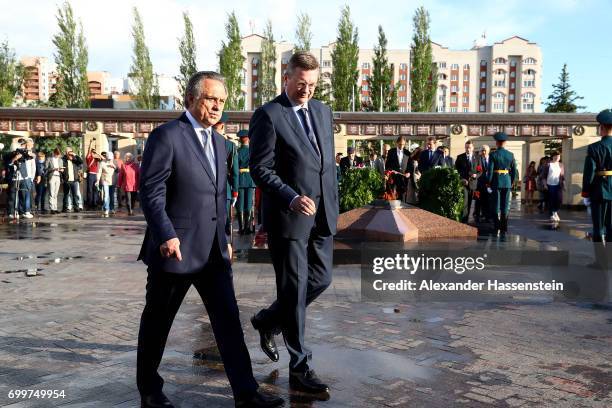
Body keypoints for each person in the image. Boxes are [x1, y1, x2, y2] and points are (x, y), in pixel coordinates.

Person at [136, 71, 283, 408]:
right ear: (191, 99)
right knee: (158, 324)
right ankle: (150, 391)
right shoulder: (167, 136)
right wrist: (165, 233)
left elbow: (219, 197)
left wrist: (226, 238)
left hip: (214, 253)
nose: (217, 106)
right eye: (210, 99)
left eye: (221, 101)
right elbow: (152, 190)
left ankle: (246, 393)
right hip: (174, 251)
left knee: (229, 324)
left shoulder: (221, 143)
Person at [249, 51, 338, 397]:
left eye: (312, 85)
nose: (306, 91)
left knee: (322, 279)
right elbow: (261, 168)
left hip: (323, 214)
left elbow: (324, 163)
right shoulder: (269, 115)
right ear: (285, 78)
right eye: (301, 83)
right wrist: (290, 196)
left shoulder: (323, 111)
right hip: (289, 217)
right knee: (295, 289)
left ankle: (268, 320)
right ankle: (300, 369)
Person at [582, 109, 612, 269]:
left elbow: (589, 173)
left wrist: (586, 192)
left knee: (598, 227)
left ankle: (601, 262)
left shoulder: (594, 148)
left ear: (601, 127)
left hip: (599, 190)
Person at [487, 132, 517, 233]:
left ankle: (497, 225)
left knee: (496, 204)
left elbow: (490, 170)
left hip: (496, 182)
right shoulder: (510, 155)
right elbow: (514, 171)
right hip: (507, 182)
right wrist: (511, 182)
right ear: (505, 143)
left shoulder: (493, 154)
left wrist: (488, 182)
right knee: (505, 204)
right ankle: (504, 226)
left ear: (497, 143)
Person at [455, 141, 481, 223]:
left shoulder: (477, 158)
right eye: (466, 147)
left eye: (469, 147)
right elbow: (456, 170)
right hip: (464, 183)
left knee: (470, 202)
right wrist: (461, 178)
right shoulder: (460, 157)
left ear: (473, 148)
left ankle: (467, 218)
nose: (468, 149)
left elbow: (480, 170)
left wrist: (476, 175)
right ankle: (464, 220)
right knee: (465, 202)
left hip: (473, 183)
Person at [236, 130, 256, 235]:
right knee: (249, 204)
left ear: (240, 139)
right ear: (248, 139)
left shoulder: (237, 151)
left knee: (240, 204)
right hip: (250, 180)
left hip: (239, 179)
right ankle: (248, 228)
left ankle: (241, 228)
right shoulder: (252, 151)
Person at [385, 136, 411, 201]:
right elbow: (387, 165)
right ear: (397, 143)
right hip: (393, 177)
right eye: (400, 144)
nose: (401, 146)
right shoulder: (391, 152)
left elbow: (410, 165)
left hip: (403, 178)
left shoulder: (407, 153)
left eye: (403, 144)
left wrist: (408, 172)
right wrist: (391, 170)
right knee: (392, 195)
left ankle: (401, 208)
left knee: (402, 195)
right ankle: (392, 208)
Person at [544, 151, 565, 222]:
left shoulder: (561, 165)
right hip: (550, 185)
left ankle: (555, 211)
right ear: (552, 157)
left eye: (559, 156)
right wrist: (545, 184)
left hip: (558, 185)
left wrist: (564, 185)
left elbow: (562, 176)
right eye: (555, 156)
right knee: (551, 200)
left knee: (559, 199)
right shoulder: (548, 165)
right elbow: (543, 176)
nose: (557, 158)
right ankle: (552, 214)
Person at [62, 147, 83, 213]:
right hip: (66, 180)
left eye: (70, 151)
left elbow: (81, 161)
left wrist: (74, 154)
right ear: (65, 153)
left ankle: (76, 207)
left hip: (74, 180)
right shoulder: (63, 160)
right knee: (66, 195)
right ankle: (65, 208)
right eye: (68, 152)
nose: (69, 153)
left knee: (75, 195)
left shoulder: (75, 160)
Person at [475, 145, 492, 223]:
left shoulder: (491, 159)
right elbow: (477, 169)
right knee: (478, 200)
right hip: (479, 183)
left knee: (487, 200)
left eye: (485, 150)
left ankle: (487, 215)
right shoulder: (478, 159)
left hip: (489, 183)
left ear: (488, 151)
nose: (484, 152)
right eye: (482, 150)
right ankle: (477, 215)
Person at [97, 152, 117, 217]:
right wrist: (97, 180)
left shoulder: (114, 162)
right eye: (108, 159)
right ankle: (106, 209)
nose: (110, 160)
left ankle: (112, 208)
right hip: (105, 181)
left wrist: (114, 167)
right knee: (106, 196)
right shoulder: (102, 163)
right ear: (106, 158)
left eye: (111, 159)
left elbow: (119, 171)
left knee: (111, 196)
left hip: (112, 181)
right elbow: (99, 172)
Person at [45, 147, 64, 214]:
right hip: (52, 176)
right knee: (51, 193)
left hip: (58, 176)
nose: (58, 156)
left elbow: (62, 168)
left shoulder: (60, 160)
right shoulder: (49, 159)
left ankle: (55, 208)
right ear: (54, 153)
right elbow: (46, 169)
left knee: (56, 193)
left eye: (59, 154)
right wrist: (53, 169)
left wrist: (61, 170)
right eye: (57, 154)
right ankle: (52, 208)